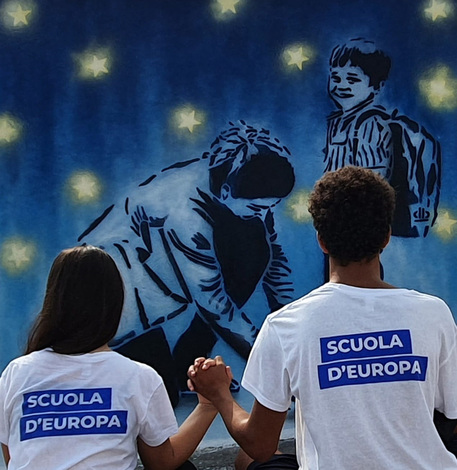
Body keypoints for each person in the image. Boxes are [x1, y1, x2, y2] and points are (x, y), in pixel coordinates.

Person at [187, 166, 457, 470]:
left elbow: (260, 446)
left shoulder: (286, 325)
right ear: (386, 238)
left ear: (322, 241)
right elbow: (451, 415)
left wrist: (219, 394)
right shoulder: (434, 313)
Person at [79, 121, 295, 404]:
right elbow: (213, 302)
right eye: (258, 208)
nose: (264, 214)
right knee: (160, 397)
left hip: (157, 294)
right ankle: (178, 371)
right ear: (226, 192)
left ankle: (187, 363)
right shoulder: (183, 213)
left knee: (254, 246)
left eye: (270, 207)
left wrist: (293, 326)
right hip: (112, 312)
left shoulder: (244, 185)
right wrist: (277, 370)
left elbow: (275, 263)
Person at [0, 245, 218, 470]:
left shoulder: (16, 373)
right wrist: (210, 403)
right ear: (115, 303)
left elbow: (14, 457)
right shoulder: (138, 377)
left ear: (53, 301)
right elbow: (163, 462)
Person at [324, 38, 441, 238]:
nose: (341, 85)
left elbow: (374, 182)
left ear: (376, 87)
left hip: (360, 223)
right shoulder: (339, 122)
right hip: (344, 218)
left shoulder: (371, 124)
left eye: (352, 79)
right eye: (336, 78)